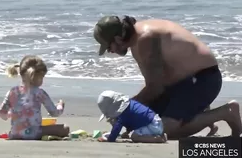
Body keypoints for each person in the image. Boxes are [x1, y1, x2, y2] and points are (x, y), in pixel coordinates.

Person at [93, 15, 242, 138]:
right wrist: (130, 115)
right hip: (180, 84)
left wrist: (124, 108)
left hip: (203, 78)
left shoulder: (145, 38)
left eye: (108, 46)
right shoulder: (137, 40)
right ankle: (200, 113)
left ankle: (227, 112)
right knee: (146, 122)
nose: (109, 51)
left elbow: (156, 88)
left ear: (118, 38)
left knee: (165, 131)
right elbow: (151, 84)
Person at [0, 55, 70, 140]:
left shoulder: (12, 91)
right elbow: (54, 113)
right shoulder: (40, 93)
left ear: (21, 73)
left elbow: (1, 113)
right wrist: (60, 105)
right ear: (39, 77)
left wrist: (10, 115)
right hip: (34, 133)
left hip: (14, 134)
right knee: (65, 128)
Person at [97, 90, 167, 143]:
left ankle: (157, 139)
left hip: (152, 126)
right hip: (156, 122)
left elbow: (117, 128)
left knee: (135, 137)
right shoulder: (130, 104)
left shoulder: (122, 115)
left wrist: (110, 139)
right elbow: (133, 120)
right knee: (135, 132)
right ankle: (158, 134)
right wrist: (127, 133)